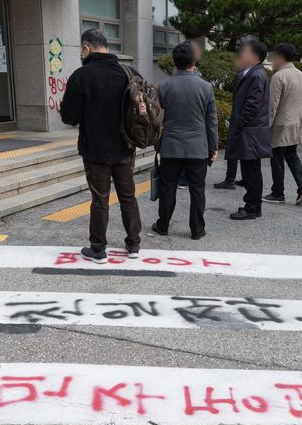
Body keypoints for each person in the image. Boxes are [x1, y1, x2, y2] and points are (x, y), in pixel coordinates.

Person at [59, 28, 143, 263]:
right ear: (106, 46)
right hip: (125, 147)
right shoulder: (129, 72)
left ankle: (98, 249)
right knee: (128, 197)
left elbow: (69, 117)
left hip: (95, 151)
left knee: (100, 200)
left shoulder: (82, 75)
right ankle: (133, 245)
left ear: (86, 48)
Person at [151, 41, 218, 239]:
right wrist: (213, 148)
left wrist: (158, 145)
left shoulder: (163, 87)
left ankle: (163, 226)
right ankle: (197, 230)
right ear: (194, 62)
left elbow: (157, 120)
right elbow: (211, 122)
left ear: (173, 62)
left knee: (168, 187)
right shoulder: (206, 88)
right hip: (198, 147)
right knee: (197, 189)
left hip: (170, 146)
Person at [224, 39, 271, 220]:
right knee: (251, 171)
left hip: (250, 132)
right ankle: (253, 206)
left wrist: (237, 124)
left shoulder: (256, 75)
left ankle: (251, 208)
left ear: (254, 56)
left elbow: (252, 106)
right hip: (250, 131)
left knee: (251, 172)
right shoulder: (251, 73)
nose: (241, 54)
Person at [263, 42, 302, 205]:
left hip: (281, 124)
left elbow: (272, 105)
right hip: (297, 121)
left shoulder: (279, 76)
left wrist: (265, 127)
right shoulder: (300, 74)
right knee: (291, 155)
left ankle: (278, 192)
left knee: (277, 158)